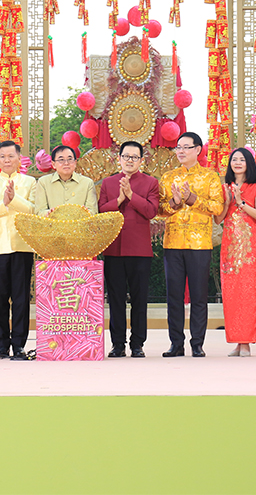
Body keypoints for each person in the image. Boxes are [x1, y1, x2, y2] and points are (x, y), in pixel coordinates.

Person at [158, 132, 225, 358]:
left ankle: (197, 343)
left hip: (200, 244)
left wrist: (193, 199)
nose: (181, 151)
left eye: (186, 147)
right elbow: (159, 210)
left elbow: (218, 208)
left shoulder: (210, 177)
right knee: (174, 297)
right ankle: (176, 343)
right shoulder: (168, 177)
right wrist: (175, 202)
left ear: (198, 150)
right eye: (178, 147)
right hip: (173, 243)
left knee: (199, 296)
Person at [98, 141, 159, 359]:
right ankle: (117, 344)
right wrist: (119, 199)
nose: (129, 160)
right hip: (114, 249)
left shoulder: (151, 182)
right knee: (115, 299)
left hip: (140, 250)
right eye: (126, 156)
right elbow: (101, 211)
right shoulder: (108, 183)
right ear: (119, 158)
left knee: (139, 299)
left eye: (134, 157)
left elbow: (151, 211)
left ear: (141, 160)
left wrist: (132, 196)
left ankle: (137, 344)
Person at [0, 141, 37, 361]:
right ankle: (2, 345)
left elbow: (33, 210)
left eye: (11, 156)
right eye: (2, 156)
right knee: (0, 298)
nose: (7, 160)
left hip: (23, 245)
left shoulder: (30, 182)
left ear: (19, 158)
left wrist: (14, 199)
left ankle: (19, 345)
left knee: (21, 299)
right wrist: (3, 203)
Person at [214, 148, 256, 357]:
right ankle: (237, 342)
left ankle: (246, 343)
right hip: (229, 248)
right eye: (234, 159)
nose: (237, 163)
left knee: (248, 294)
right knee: (231, 295)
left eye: (241, 159)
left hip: (249, 250)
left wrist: (241, 202)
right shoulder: (224, 187)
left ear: (249, 163)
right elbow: (218, 219)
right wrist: (228, 201)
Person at [35, 145, 98, 215]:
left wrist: (84, 213)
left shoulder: (87, 183)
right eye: (61, 160)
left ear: (75, 162)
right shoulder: (43, 182)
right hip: (53, 221)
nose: (66, 163)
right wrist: (49, 213)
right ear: (53, 164)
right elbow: (39, 211)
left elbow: (93, 211)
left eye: (70, 159)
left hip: (80, 221)